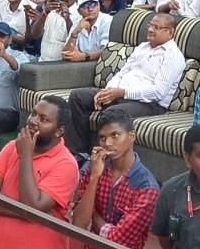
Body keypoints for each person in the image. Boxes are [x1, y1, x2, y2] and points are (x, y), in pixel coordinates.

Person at [0, 95, 81, 249]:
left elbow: (33, 206)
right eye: (34, 114)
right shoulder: (12, 147)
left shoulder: (66, 164)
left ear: (59, 131)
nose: (34, 121)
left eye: (44, 119)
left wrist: (26, 155)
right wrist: (27, 213)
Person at [65, 12, 186, 155]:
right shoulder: (143, 47)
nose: (151, 30)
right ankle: (77, 153)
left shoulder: (173, 56)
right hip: (121, 94)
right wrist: (107, 92)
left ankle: (101, 158)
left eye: (157, 27)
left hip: (149, 104)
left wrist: (123, 93)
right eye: (150, 25)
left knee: (111, 114)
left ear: (170, 32)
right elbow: (123, 72)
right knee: (78, 97)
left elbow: (158, 92)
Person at [69, 108, 161, 249]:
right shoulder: (97, 168)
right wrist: (94, 177)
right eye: (103, 138)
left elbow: (116, 241)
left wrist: (93, 217)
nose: (108, 143)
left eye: (115, 135)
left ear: (132, 136)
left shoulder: (147, 187)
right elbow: (78, 224)